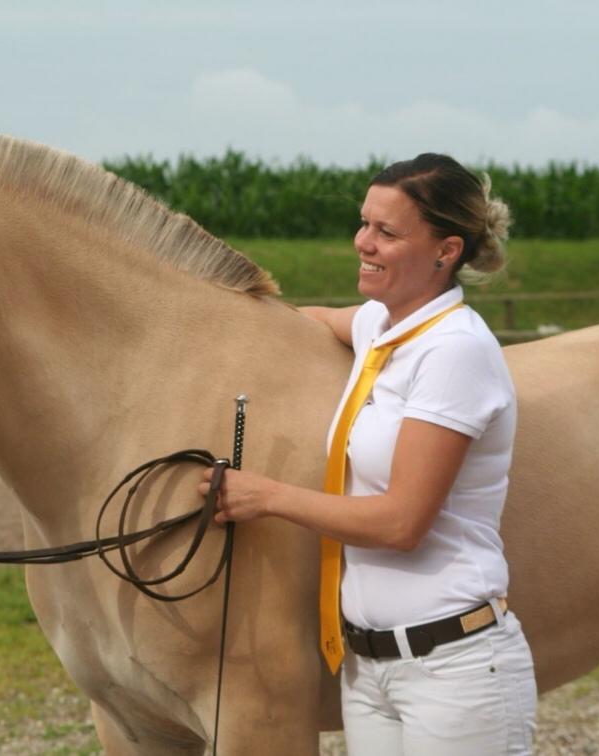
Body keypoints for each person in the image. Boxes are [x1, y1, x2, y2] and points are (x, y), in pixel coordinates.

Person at [199, 153, 537, 754]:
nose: (364, 243)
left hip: (453, 671)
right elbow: (320, 320)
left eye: (387, 232)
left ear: (446, 250)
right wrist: (223, 324)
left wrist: (265, 496)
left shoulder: (453, 351)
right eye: (363, 223)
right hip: (368, 668)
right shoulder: (382, 326)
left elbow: (402, 522)